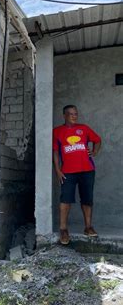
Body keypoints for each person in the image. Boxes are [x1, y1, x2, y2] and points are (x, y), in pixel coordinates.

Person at [53, 105, 102, 245]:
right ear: (64, 115)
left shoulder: (84, 129)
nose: (74, 116)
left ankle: (88, 227)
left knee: (87, 199)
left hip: (87, 170)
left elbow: (97, 140)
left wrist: (95, 151)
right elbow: (56, 152)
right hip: (68, 171)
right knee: (65, 199)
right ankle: (63, 229)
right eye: (71, 114)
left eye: (76, 114)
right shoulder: (57, 132)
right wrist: (58, 170)